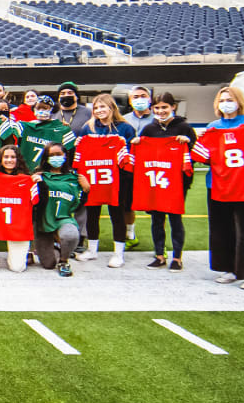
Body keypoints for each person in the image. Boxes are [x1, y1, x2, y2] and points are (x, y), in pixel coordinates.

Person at [192, 86, 244, 291]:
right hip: (217, 184)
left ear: (239, 101)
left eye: (230, 99)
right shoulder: (213, 127)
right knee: (221, 229)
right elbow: (203, 157)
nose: (226, 103)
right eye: (222, 100)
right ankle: (229, 269)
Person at [133, 92, 196, 272]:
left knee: (175, 218)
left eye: (164, 107)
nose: (160, 111)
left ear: (173, 107)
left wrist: (188, 144)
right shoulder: (148, 130)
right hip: (155, 181)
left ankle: (177, 257)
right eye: (157, 108)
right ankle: (159, 255)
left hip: (177, 182)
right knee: (157, 219)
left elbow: (196, 154)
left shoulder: (184, 127)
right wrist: (138, 143)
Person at [77, 94, 136, 268]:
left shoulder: (125, 128)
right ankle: (92, 250)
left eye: (103, 107)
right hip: (93, 178)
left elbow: (132, 157)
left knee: (117, 215)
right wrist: (81, 177)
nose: (99, 111)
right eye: (96, 108)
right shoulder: (87, 128)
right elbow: (79, 155)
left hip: (118, 180)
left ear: (112, 108)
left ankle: (118, 253)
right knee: (92, 215)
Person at [0, 145, 37, 272]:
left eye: (13, 157)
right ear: (0, 160)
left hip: (19, 227)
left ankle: (18, 255)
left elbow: (38, 202)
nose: (9, 160)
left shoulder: (28, 180)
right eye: (6, 157)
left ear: (18, 159)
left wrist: (40, 183)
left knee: (17, 268)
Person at [33, 143, 88, 276]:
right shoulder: (39, 175)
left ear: (65, 156)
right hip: (42, 222)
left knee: (71, 235)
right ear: (46, 158)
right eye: (51, 155)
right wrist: (36, 183)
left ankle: (64, 260)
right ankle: (56, 245)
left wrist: (86, 190)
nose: (55, 158)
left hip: (63, 219)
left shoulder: (74, 178)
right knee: (48, 264)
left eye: (59, 154)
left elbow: (78, 205)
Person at [122, 85, 155, 245]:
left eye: (143, 96)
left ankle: (159, 243)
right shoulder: (123, 119)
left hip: (153, 167)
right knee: (127, 204)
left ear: (149, 99)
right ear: (130, 100)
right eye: (135, 97)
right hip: (129, 168)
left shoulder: (158, 118)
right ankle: (130, 234)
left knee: (156, 206)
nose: (139, 99)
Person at [14, 95, 76, 172]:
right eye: (38, 108)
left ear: (52, 109)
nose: (41, 110)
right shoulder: (24, 126)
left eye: (45, 108)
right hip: (26, 173)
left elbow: (72, 153)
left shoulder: (62, 129)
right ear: (34, 109)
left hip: (50, 175)